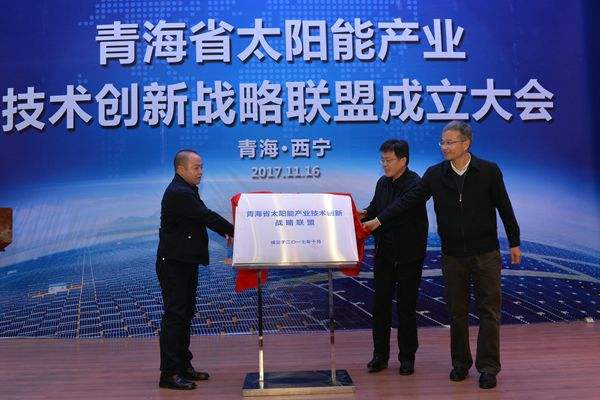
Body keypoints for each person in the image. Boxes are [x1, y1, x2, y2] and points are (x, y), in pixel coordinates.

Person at [363, 121, 521, 389]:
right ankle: (460, 364)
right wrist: (377, 218)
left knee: (489, 311)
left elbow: (504, 207)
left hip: (485, 253)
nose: (444, 147)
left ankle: (488, 368)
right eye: (442, 142)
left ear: (466, 143)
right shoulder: (435, 174)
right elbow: (409, 200)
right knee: (457, 312)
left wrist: (514, 242)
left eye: (450, 142)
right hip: (452, 255)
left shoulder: (488, 171)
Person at [156, 149, 234, 390]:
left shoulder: (187, 189)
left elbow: (200, 218)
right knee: (175, 316)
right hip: (174, 264)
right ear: (181, 169)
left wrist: (227, 231)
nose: (200, 172)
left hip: (184, 262)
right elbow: (206, 216)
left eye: (201, 167)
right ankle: (169, 374)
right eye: (196, 167)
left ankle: (183, 366)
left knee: (185, 314)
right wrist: (236, 230)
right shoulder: (179, 193)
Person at [359, 139, 428, 376]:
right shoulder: (382, 183)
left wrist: (377, 221)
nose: (384, 165)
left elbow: (399, 208)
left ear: (403, 160)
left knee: (406, 308)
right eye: (382, 160)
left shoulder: (416, 184)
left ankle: (407, 358)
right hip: (385, 256)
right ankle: (380, 356)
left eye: (389, 160)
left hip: (409, 257)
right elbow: (376, 207)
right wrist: (363, 213)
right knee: (380, 307)